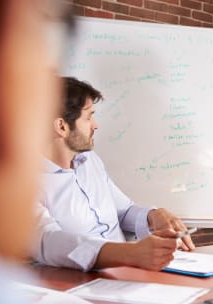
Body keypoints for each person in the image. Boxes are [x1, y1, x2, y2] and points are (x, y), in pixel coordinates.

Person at [31, 77, 196, 272]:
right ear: (62, 127)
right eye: (89, 117)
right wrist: (129, 253)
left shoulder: (89, 160)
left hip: (127, 273)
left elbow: (123, 211)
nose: (95, 125)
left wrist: (153, 215)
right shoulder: (21, 179)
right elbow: (47, 241)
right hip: (79, 284)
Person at [0, 0, 75, 302]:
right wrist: (122, 252)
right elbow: (44, 237)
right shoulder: (36, 171)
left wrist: (152, 215)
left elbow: (126, 208)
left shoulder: (92, 164)